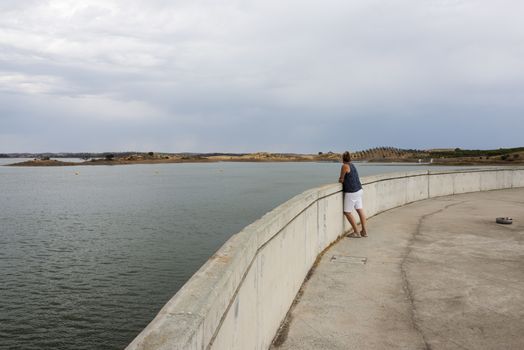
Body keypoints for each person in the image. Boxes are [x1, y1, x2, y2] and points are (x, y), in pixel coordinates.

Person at [338, 151, 367, 238]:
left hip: (351, 192)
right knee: (360, 210)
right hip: (359, 190)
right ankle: (364, 231)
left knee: (347, 212)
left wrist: (340, 179)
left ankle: (356, 232)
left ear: (343, 159)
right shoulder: (353, 165)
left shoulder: (344, 166)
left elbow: (341, 179)